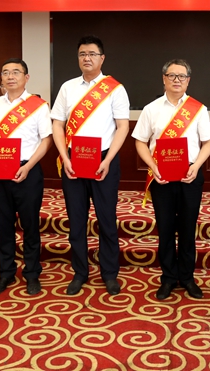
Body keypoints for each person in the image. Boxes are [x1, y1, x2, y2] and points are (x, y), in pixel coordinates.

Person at [51, 36, 130, 296]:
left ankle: (109, 273)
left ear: (102, 58)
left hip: (104, 160)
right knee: (76, 220)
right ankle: (80, 272)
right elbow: (57, 124)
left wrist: (108, 160)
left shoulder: (115, 88)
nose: (87, 58)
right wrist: (65, 157)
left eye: (92, 54)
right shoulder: (67, 88)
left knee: (106, 219)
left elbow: (122, 127)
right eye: (82, 54)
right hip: (73, 160)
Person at [133, 59, 210, 300]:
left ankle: (187, 278)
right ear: (164, 78)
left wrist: (196, 166)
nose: (177, 80)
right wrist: (153, 166)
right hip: (162, 177)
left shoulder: (198, 109)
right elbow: (140, 141)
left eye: (182, 76)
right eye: (172, 75)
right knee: (166, 229)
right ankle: (168, 278)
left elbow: (208, 143)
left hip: (190, 175)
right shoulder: (151, 109)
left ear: (188, 80)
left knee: (188, 230)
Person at [0, 58, 51, 296]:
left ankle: (32, 273)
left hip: (27, 170)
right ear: (1, 78)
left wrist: (28, 166)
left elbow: (46, 140)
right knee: (3, 225)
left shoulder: (38, 106)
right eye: (6, 72)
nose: (10, 76)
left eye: (16, 72)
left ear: (26, 77)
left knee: (30, 225)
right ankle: (6, 272)